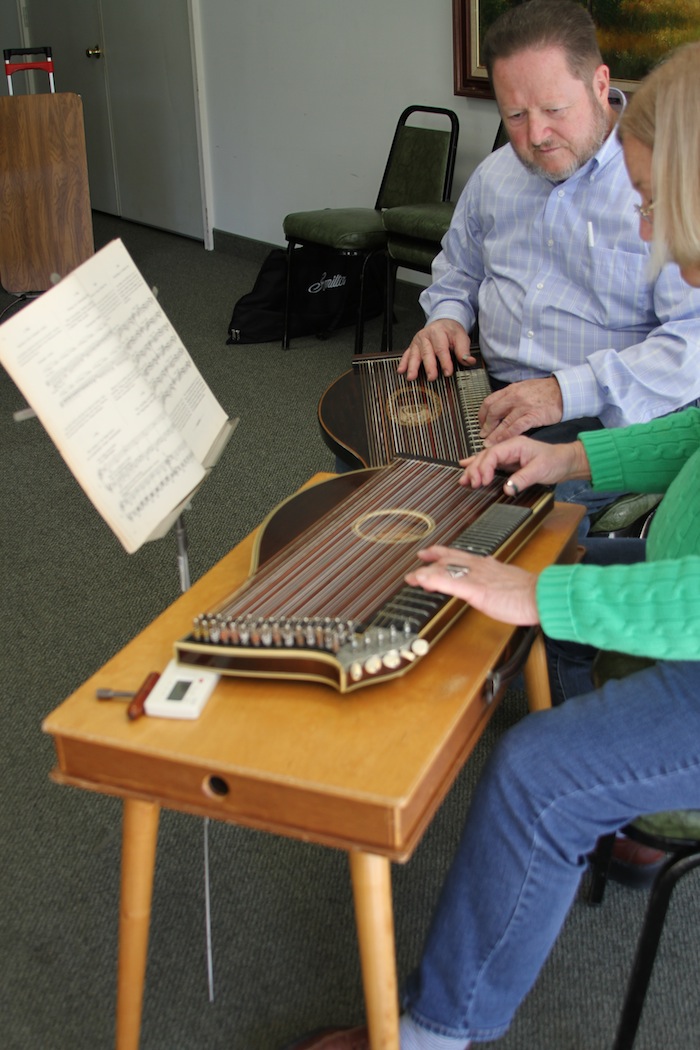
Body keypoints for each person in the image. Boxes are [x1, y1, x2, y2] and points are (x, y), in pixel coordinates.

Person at [285, 37, 700, 1050]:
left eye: (651, 201)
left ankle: (433, 1033)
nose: (642, 227)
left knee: (535, 770)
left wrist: (544, 598)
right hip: (672, 580)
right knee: (503, 572)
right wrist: (571, 467)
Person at [397, 0, 700, 523]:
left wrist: (564, 391)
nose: (535, 135)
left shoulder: (664, 175)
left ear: (599, 84)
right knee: (373, 463)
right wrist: (446, 316)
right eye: (515, 115)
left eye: (554, 110)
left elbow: (692, 342)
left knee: (478, 515)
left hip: (603, 414)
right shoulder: (495, 176)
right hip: (487, 388)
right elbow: (459, 267)